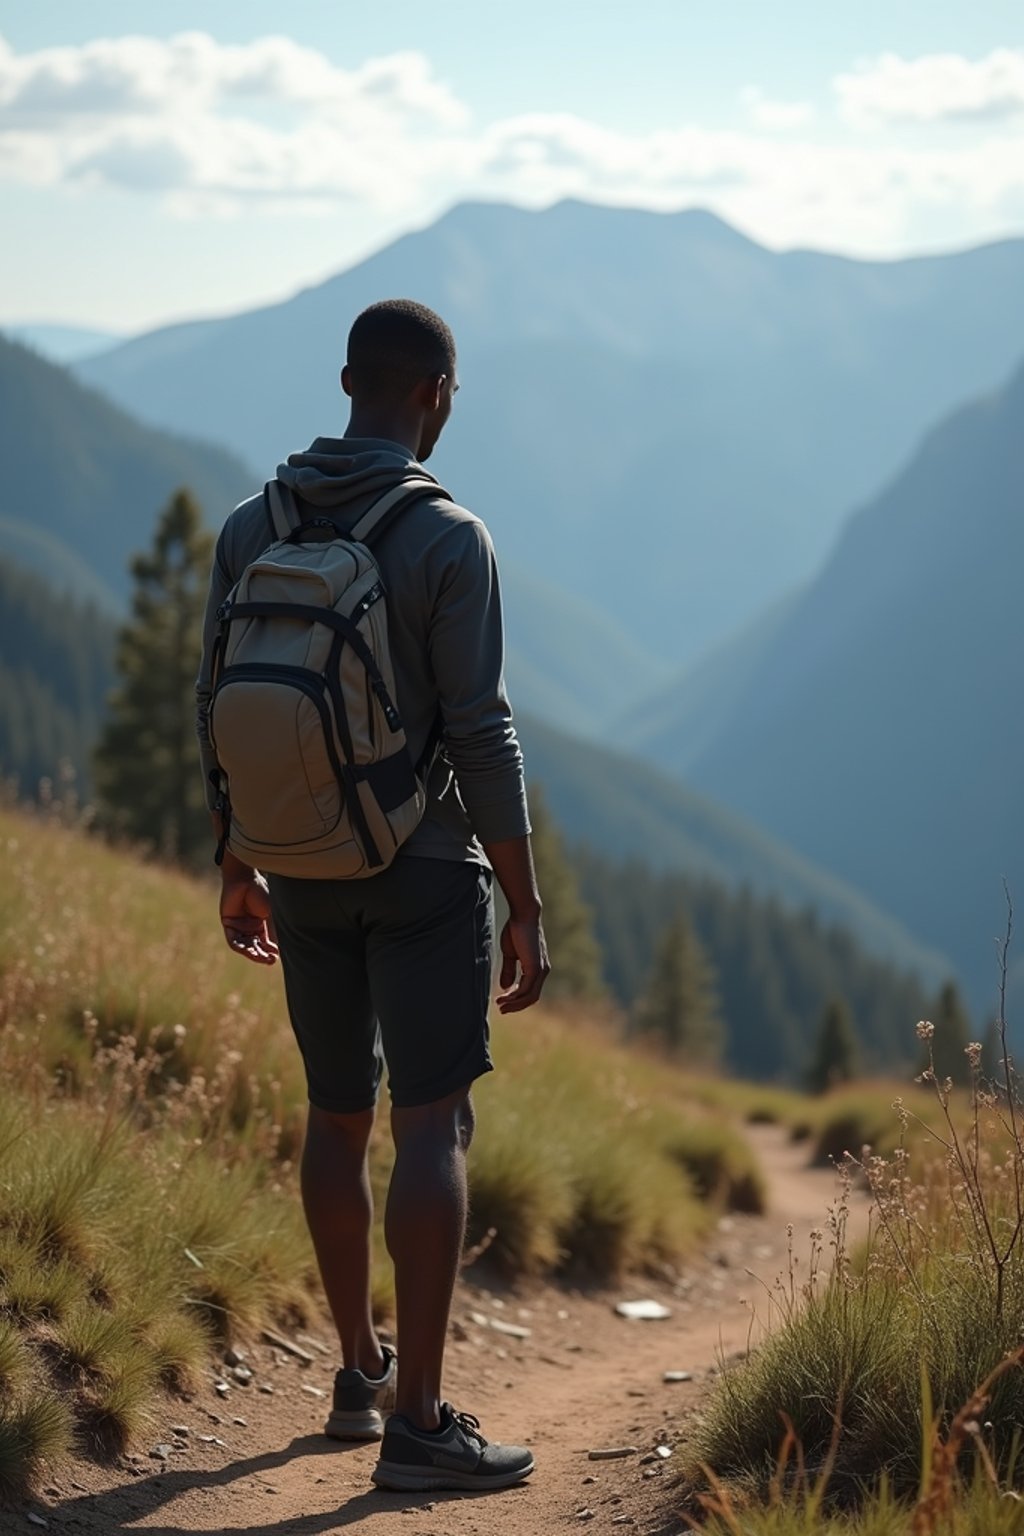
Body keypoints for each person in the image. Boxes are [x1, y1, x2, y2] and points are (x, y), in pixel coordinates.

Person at [195, 299, 549, 1493]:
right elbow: (481, 730)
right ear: (436, 397)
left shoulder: (255, 524)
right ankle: (421, 1421)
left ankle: (356, 1374)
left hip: (297, 868)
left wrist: (235, 861)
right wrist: (528, 903)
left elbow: (217, 701)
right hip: (422, 873)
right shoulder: (449, 537)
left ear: (348, 381)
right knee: (432, 1123)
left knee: (338, 1116)